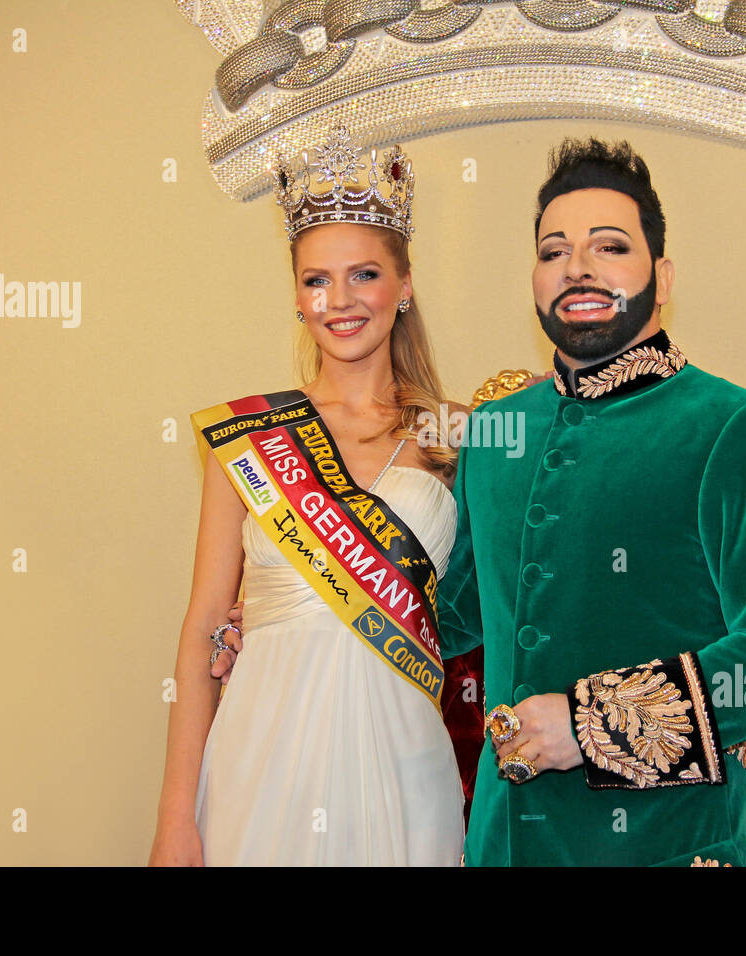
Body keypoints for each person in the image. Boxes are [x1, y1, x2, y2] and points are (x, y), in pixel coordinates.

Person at [434, 137, 746, 866]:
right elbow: (448, 618)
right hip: (504, 844)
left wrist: (590, 725)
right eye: (553, 250)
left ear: (663, 273)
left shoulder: (740, 430)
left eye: (609, 246)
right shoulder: (493, 433)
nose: (578, 266)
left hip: (672, 844)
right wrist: (289, 618)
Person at [148, 125, 473, 865]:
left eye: (364, 275)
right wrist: (174, 816)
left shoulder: (460, 438)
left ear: (405, 284)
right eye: (316, 279)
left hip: (406, 760)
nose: (340, 301)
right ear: (297, 295)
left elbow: (502, 610)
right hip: (259, 754)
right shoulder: (250, 437)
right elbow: (202, 628)